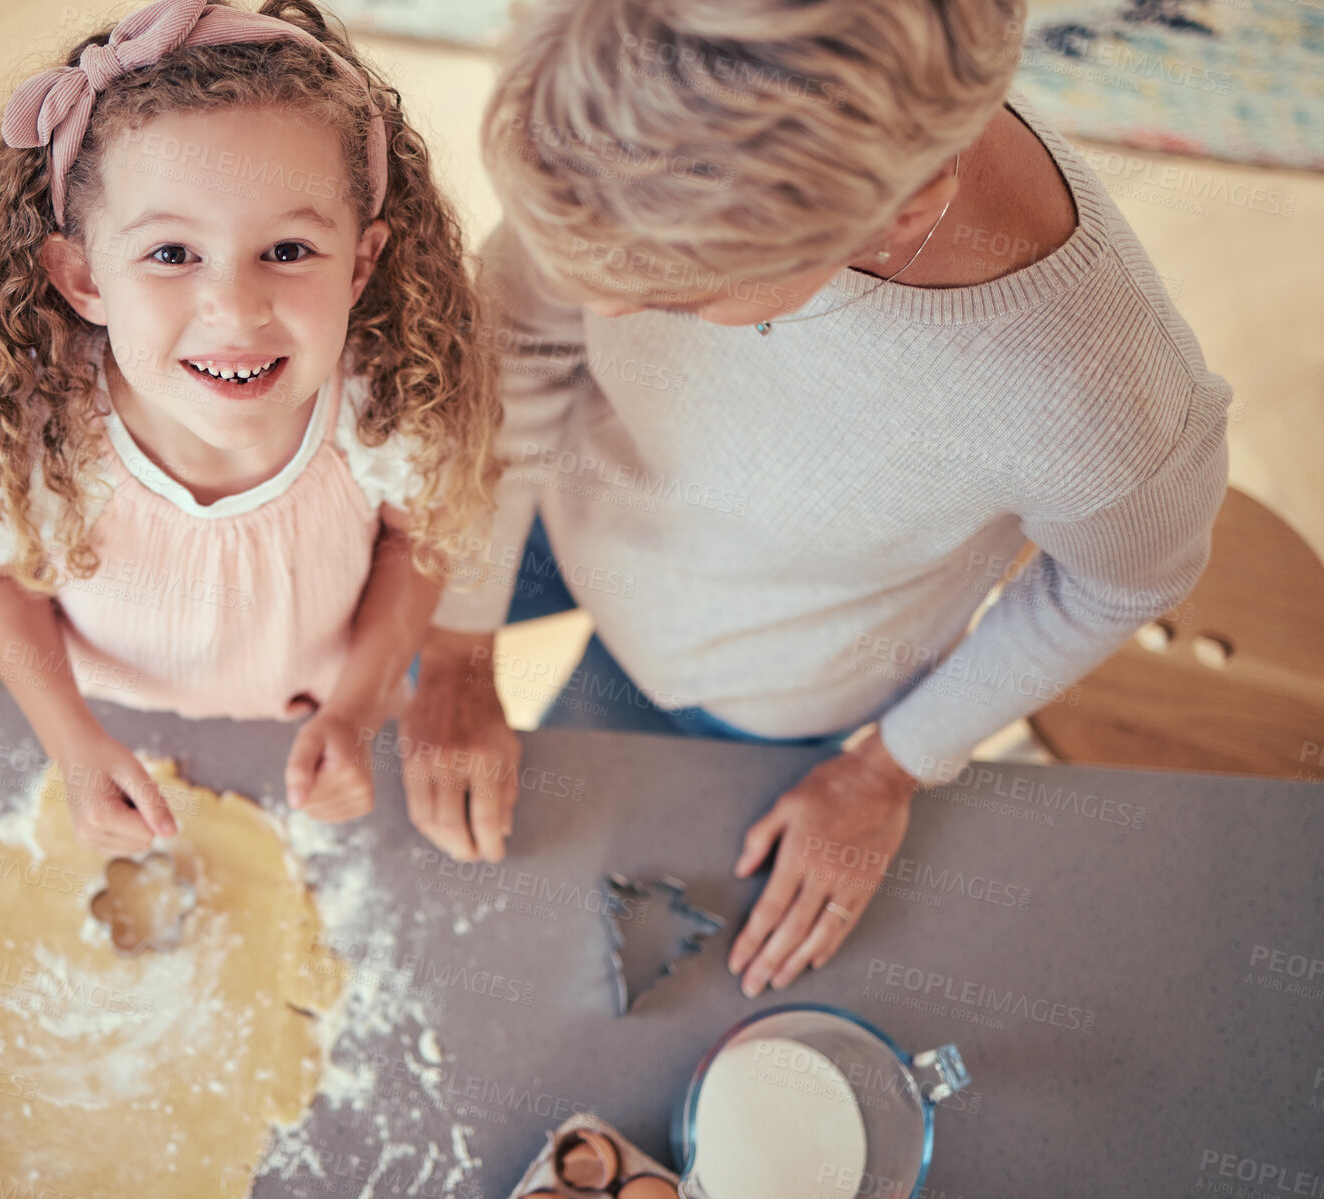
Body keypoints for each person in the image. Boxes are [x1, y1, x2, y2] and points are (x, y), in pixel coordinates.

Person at [402, 0, 1231, 997]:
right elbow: (525, 348)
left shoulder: (1101, 401)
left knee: (575, 917)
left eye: (678, 299)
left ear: (902, 212)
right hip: (556, 508)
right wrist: (455, 644)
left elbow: (1113, 586)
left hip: (752, 685)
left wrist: (886, 769)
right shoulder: (627, 139)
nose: (603, 313)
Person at [0, 0, 500, 856]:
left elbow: (420, 540)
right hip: (110, 731)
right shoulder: (37, 431)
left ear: (361, 263)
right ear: (82, 277)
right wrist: (69, 740)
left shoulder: (391, 408)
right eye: (172, 254)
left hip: (311, 724)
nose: (236, 310)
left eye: (288, 250)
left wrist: (359, 705)